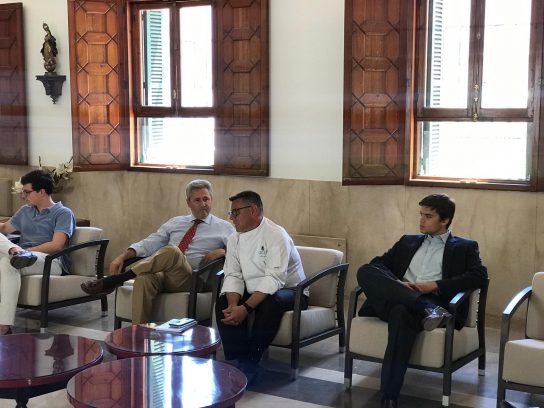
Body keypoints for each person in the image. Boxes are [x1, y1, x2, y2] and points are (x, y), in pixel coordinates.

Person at [356, 193, 488, 408]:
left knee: (400, 313)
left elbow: (480, 276)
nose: (421, 220)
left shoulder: (464, 247)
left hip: (431, 299)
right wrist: (398, 285)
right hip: (403, 296)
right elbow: (378, 264)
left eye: (428, 216)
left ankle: (389, 397)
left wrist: (435, 285)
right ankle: (424, 307)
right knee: (365, 270)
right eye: (421, 215)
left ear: (445, 220)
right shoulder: (407, 241)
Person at [81, 179, 234, 324]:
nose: (203, 204)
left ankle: (119, 278)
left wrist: (223, 251)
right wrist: (123, 256)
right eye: (197, 200)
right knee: (144, 279)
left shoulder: (224, 227)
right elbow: (150, 243)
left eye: (206, 199)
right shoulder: (176, 222)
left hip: (192, 279)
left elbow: (239, 250)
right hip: (164, 275)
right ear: (188, 202)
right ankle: (138, 334)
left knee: (173, 252)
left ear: (212, 200)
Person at [216, 190, 308, 382]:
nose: (232, 218)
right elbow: (233, 274)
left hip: (291, 290)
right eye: (231, 213)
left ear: (253, 210)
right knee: (223, 302)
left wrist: (245, 308)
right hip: (253, 288)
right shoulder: (234, 238)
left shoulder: (276, 235)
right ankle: (238, 359)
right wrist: (234, 305)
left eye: (236, 212)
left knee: (270, 304)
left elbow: (274, 278)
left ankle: (251, 361)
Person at [0, 170, 76, 335]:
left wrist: (27, 251)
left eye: (26, 192)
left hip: (51, 260)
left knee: (8, 262)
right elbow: (4, 228)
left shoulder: (63, 213)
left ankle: (3, 325)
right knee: (8, 261)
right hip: (22, 257)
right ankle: (15, 251)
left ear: (42, 192)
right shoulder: (25, 211)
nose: (23, 196)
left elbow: (56, 245)